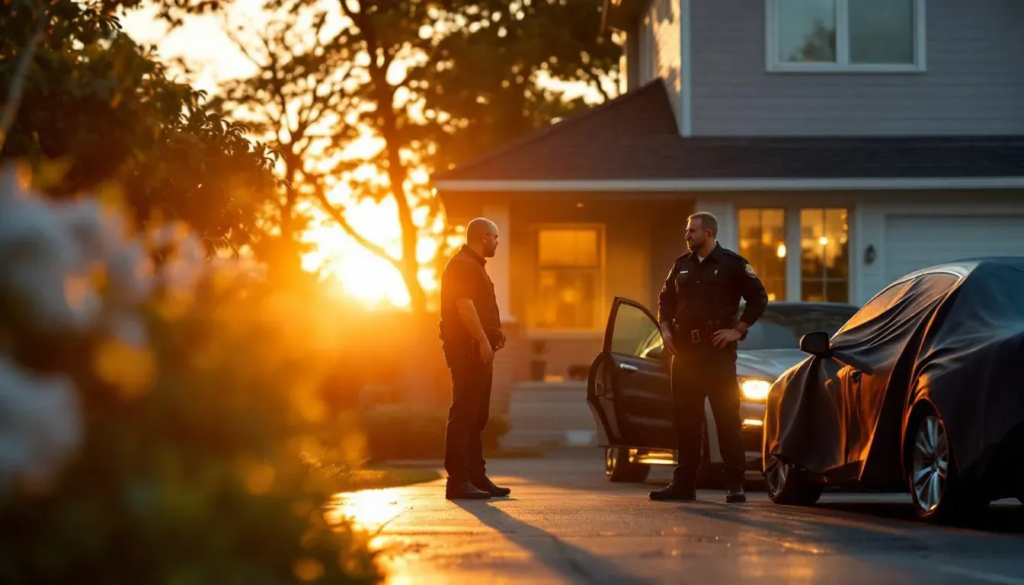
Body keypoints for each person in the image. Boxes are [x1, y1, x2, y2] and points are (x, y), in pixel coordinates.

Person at [649, 211, 768, 503]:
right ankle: (684, 485)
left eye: (692, 231)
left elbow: (759, 298)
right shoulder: (680, 266)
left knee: (726, 419)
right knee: (686, 422)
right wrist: (664, 330)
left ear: (709, 234)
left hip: (716, 354)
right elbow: (665, 300)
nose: (687, 235)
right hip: (686, 356)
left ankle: (734, 485)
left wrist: (737, 330)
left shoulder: (733, 265)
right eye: (687, 230)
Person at [437, 218, 511, 500]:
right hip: (468, 349)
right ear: (482, 238)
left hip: (478, 349)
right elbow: (464, 306)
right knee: (464, 412)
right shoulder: (463, 266)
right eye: (495, 237)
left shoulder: (473, 266)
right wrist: (482, 340)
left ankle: (476, 477)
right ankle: (457, 481)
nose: (497, 242)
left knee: (476, 416)